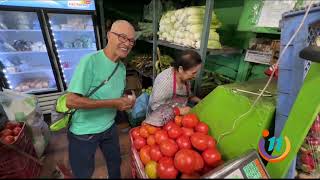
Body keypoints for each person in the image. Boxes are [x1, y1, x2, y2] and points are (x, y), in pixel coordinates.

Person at [65, 20, 136, 178]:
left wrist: (125, 101)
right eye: (122, 37)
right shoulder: (90, 61)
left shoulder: (121, 68)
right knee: (83, 173)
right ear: (109, 35)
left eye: (131, 40)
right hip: (84, 133)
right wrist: (113, 103)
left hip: (109, 128)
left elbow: (113, 96)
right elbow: (71, 101)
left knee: (115, 163)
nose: (127, 43)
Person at [144, 50, 202, 126]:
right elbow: (155, 107)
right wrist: (178, 111)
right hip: (159, 121)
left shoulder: (185, 78)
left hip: (176, 120)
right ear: (181, 69)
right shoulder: (165, 81)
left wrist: (198, 100)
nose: (195, 76)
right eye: (193, 73)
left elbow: (185, 94)